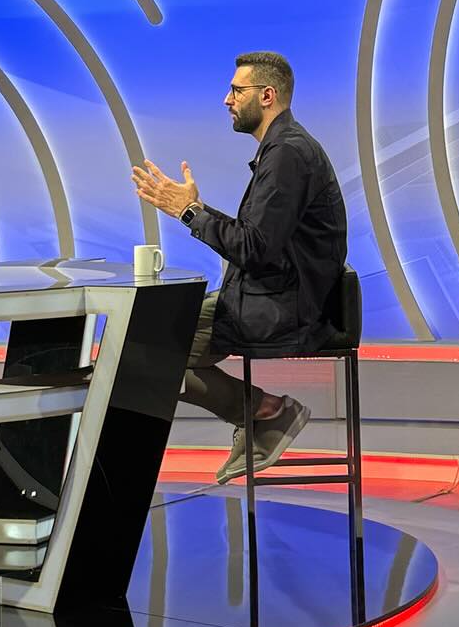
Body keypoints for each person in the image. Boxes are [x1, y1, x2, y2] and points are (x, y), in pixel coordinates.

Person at [134, 51, 347, 483]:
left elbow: (253, 250)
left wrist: (189, 213)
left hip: (285, 308)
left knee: (148, 354)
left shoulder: (288, 154)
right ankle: (263, 413)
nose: (226, 99)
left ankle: (267, 412)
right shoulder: (282, 150)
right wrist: (195, 209)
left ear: (267, 96)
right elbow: (256, 239)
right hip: (269, 295)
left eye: (236, 90)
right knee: (143, 341)